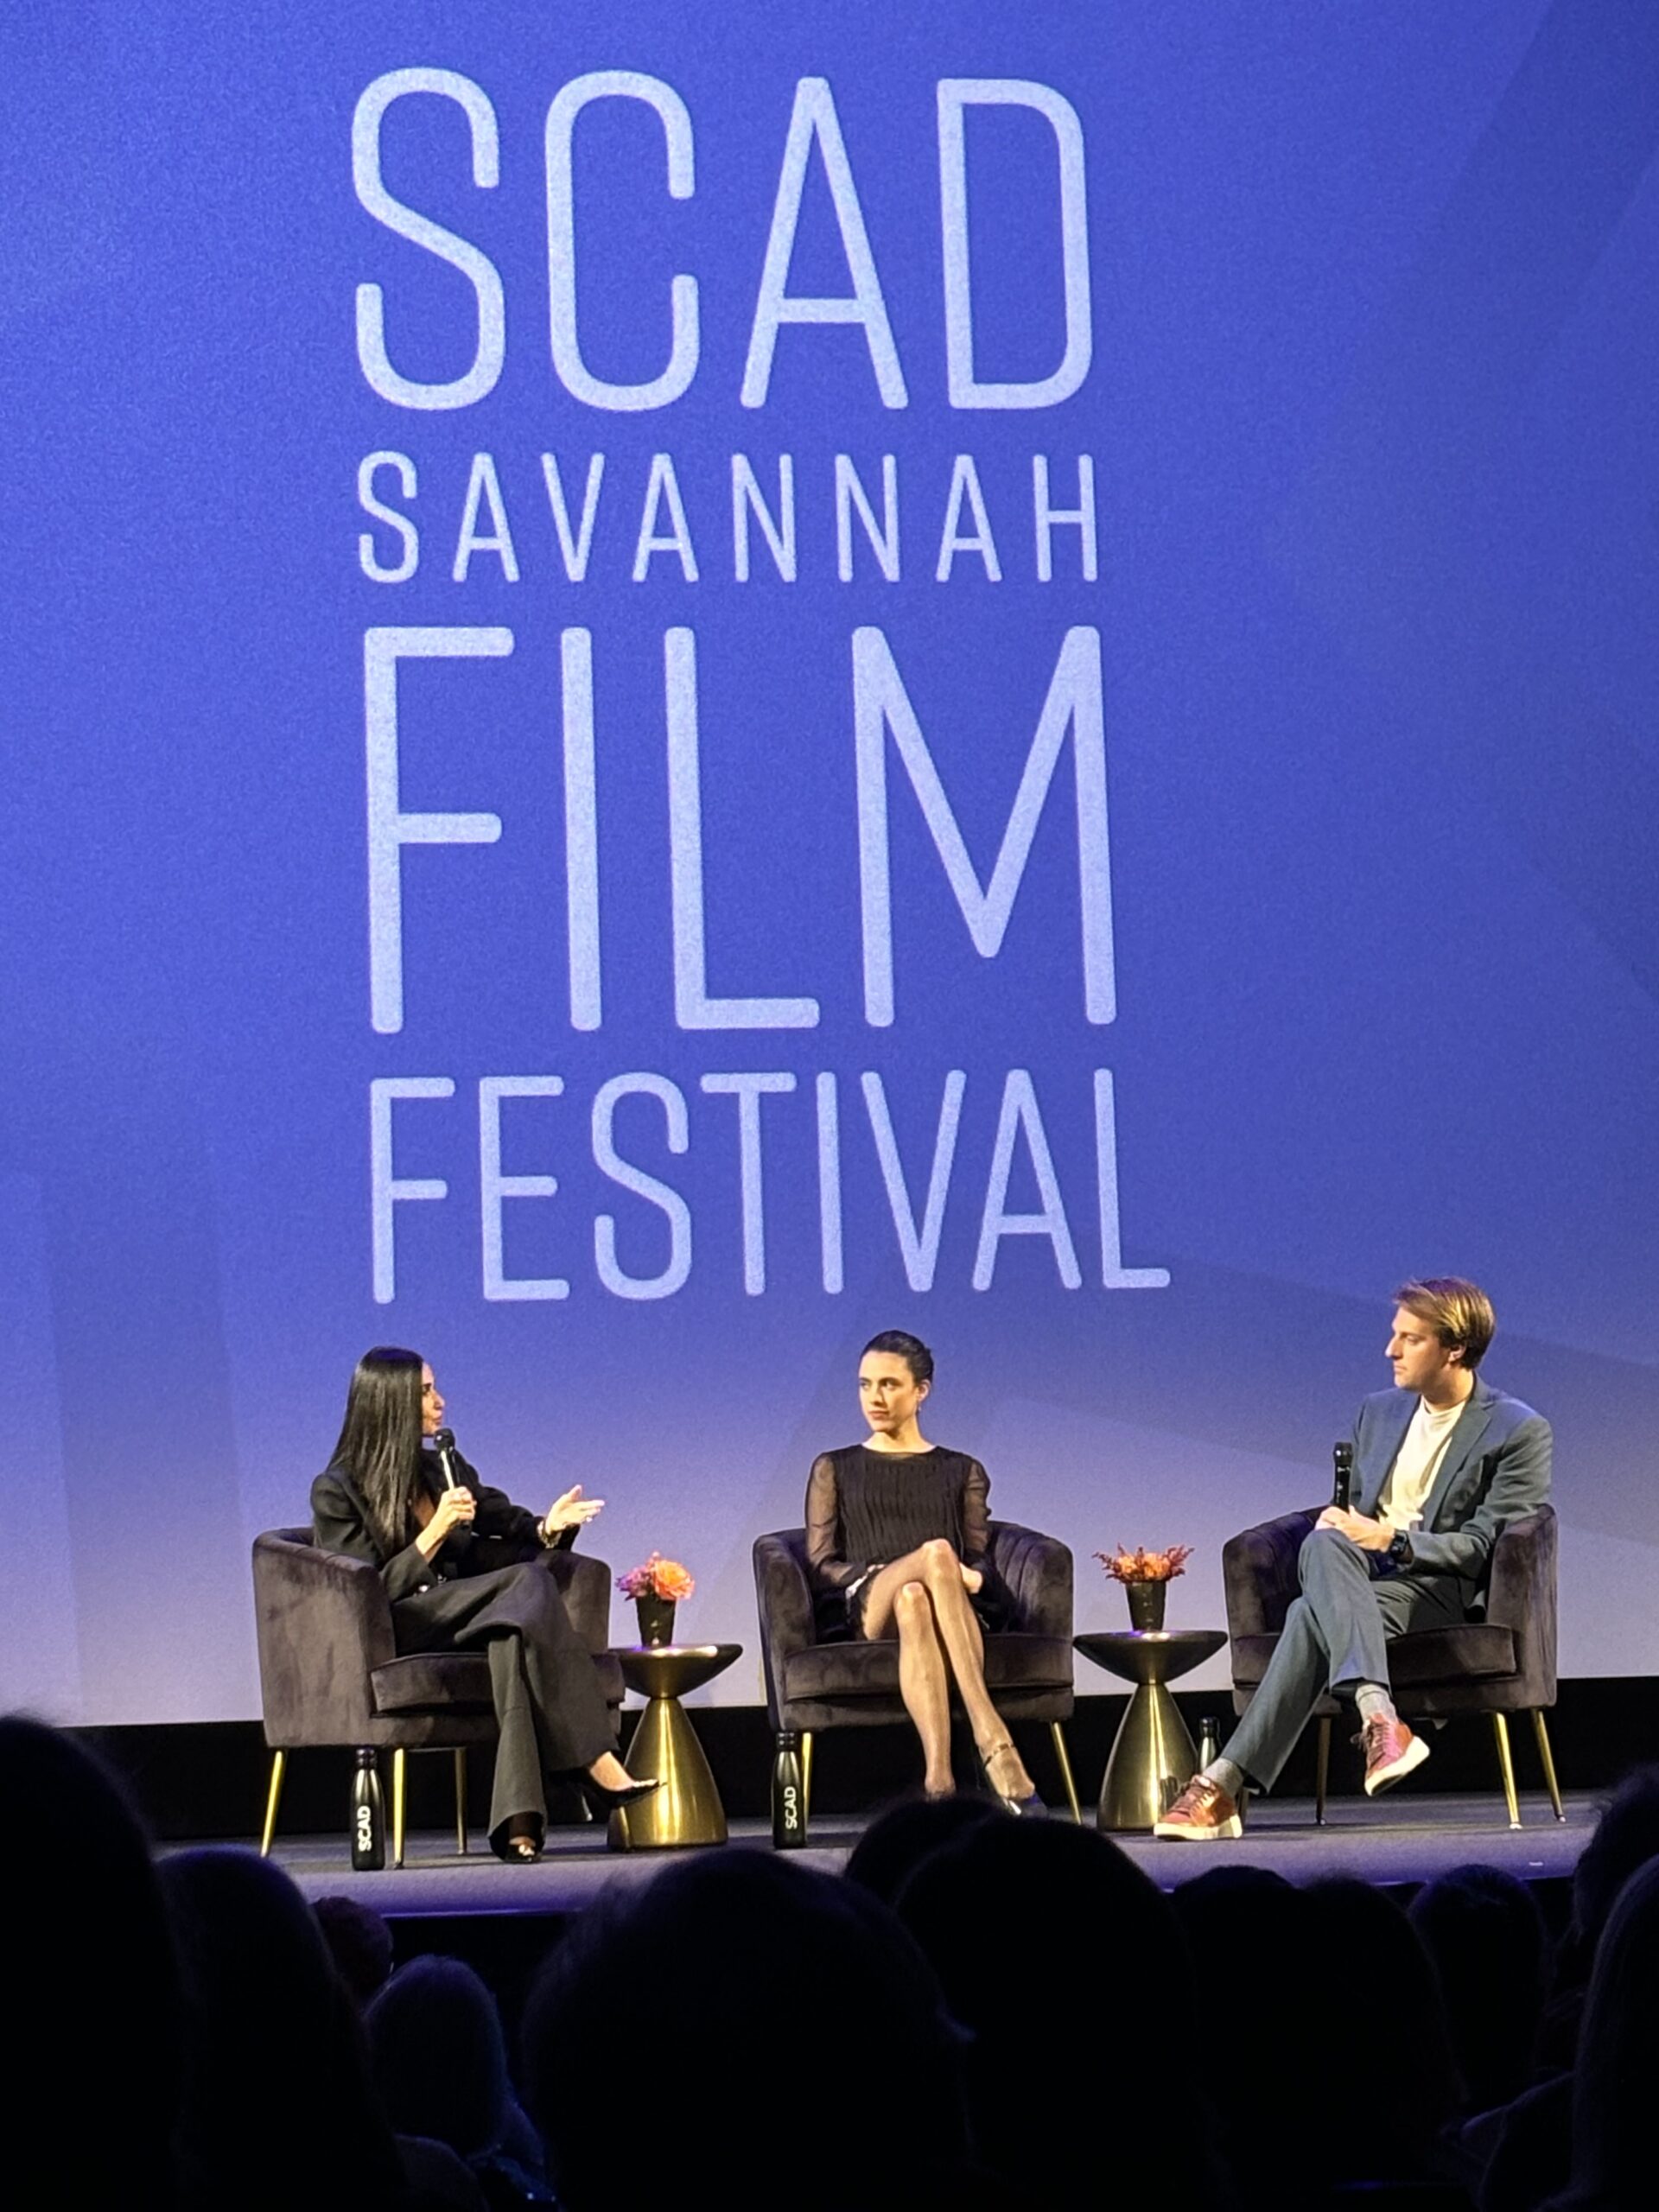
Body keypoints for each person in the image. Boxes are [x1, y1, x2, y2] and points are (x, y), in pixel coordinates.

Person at [1156, 1278, 1551, 1840]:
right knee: (1322, 1542)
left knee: (1305, 1616)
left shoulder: (1518, 1430)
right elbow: (1349, 1514)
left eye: (1410, 1339)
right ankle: (1379, 1720)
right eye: (1395, 1335)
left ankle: (1222, 1784)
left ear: (1454, 1348)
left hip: (1434, 1586)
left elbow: (1483, 1546)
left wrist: (1388, 1538)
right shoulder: (1377, 1413)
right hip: (1357, 1576)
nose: (1391, 1351)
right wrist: (1347, 1529)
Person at [312, 1346, 655, 1860]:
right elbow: (366, 1590)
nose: (440, 1402)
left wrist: (547, 1526)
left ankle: (518, 1824)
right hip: (399, 1622)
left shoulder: (440, 1468)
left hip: (462, 1613)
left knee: (512, 1636)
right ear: (390, 1402)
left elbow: (500, 1517)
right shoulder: (336, 1491)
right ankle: (594, 1761)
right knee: (528, 1586)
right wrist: (433, 1533)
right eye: (426, 1392)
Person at [804, 1328, 1041, 1811]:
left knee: (917, 1597)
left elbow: (977, 1558)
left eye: (889, 1384)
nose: (875, 1397)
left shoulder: (962, 1469)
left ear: (921, 1391)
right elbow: (821, 1563)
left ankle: (939, 1782)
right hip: (870, 1604)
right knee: (931, 1557)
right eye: (865, 1384)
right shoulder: (835, 1466)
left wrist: (970, 1577)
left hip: (941, 1604)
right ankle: (990, 1733)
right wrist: (877, 1574)